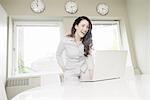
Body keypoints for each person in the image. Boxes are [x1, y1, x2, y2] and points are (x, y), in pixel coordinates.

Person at [56, 16, 94, 84]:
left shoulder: (87, 42)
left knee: (86, 92)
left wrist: (91, 72)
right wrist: (63, 68)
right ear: (76, 26)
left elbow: (89, 57)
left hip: (84, 72)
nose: (85, 29)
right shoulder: (65, 40)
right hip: (70, 73)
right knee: (72, 93)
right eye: (83, 26)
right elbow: (58, 55)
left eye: (87, 27)